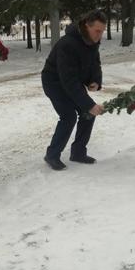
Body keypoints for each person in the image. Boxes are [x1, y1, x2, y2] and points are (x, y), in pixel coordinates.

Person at [41, 9, 106, 171]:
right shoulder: (67, 44)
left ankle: (78, 152)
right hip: (54, 82)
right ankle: (52, 155)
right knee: (68, 116)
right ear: (86, 25)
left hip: (72, 81)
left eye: (102, 31)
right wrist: (89, 104)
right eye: (97, 31)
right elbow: (68, 80)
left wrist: (95, 81)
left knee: (88, 114)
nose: (100, 35)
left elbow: (95, 63)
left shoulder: (92, 41)